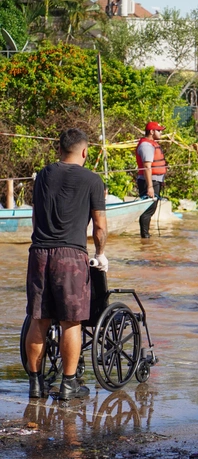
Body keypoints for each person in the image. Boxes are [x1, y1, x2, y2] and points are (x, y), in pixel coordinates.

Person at [25, 128, 108, 400]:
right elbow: (99, 225)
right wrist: (101, 253)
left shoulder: (42, 176)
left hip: (38, 252)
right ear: (84, 151)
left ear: (59, 149)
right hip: (70, 255)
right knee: (70, 322)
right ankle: (69, 384)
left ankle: (36, 384)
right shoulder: (92, 180)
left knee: (38, 319)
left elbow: (36, 218)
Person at [136, 121, 167, 238]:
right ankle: (145, 237)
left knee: (151, 209)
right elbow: (147, 167)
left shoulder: (152, 144)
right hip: (149, 181)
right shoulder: (146, 146)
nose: (161, 132)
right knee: (148, 210)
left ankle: (146, 236)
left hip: (155, 180)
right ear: (151, 131)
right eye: (159, 130)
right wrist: (150, 187)